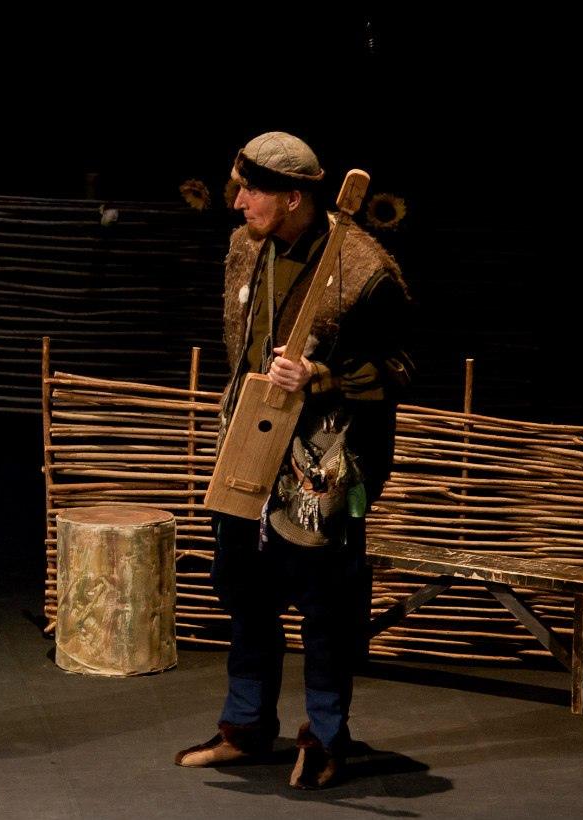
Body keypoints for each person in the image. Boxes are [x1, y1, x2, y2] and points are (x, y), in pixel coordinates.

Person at [175, 132, 412, 789]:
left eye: (252, 190)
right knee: (244, 590)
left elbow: (398, 369)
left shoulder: (363, 270)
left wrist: (320, 375)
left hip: (326, 460)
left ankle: (326, 738)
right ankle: (246, 727)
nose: (238, 202)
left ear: (293, 197)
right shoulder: (246, 248)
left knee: (325, 603)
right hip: (249, 444)